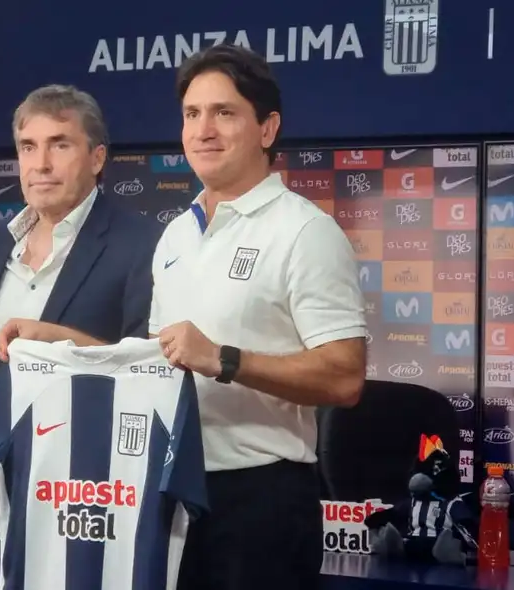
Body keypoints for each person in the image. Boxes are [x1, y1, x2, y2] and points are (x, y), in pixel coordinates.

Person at [151, 45, 367, 590]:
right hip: (170, 490)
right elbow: (158, 359)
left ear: (267, 128)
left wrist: (223, 359)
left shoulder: (304, 232)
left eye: (224, 113)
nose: (204, 130)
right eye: (191, 114)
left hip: (260, 502)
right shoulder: (175, 235)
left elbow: (344, 377)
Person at [0, 84, 161, 590]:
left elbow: (152, 369)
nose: (40, 163)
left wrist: (57, 340)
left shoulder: (140, 244)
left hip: (79, 502)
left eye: (59, 145)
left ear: (97, 158)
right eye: (29, 147)